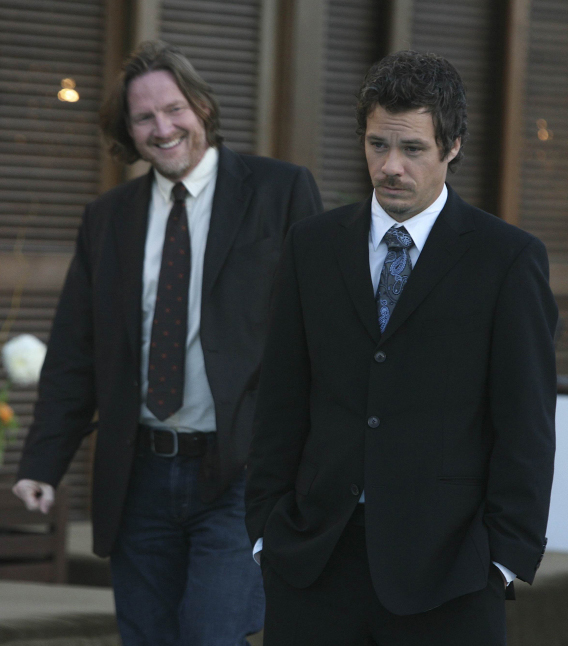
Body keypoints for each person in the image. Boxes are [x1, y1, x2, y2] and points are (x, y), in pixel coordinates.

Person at [13, 40, 322, 646]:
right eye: (144, 117)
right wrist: (43, 462)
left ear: (201, 107)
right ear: (127, 131)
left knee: (214, 634)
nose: (162, 128)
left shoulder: (280, 190)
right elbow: (75, 351)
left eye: (174, 109)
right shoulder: (107, 218)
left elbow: (321, 329)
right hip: (138, 478)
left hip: (240, 471)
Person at [245, 50, 557, 646]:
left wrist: (502, 560)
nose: (391, 166)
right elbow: (280, 398)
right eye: (377, 145)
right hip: (313, 562)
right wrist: (265, 531)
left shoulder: (506, 259)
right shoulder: (311, 246)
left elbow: (526, 424)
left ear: (452, 146)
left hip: (451, 573)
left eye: (412, 148)